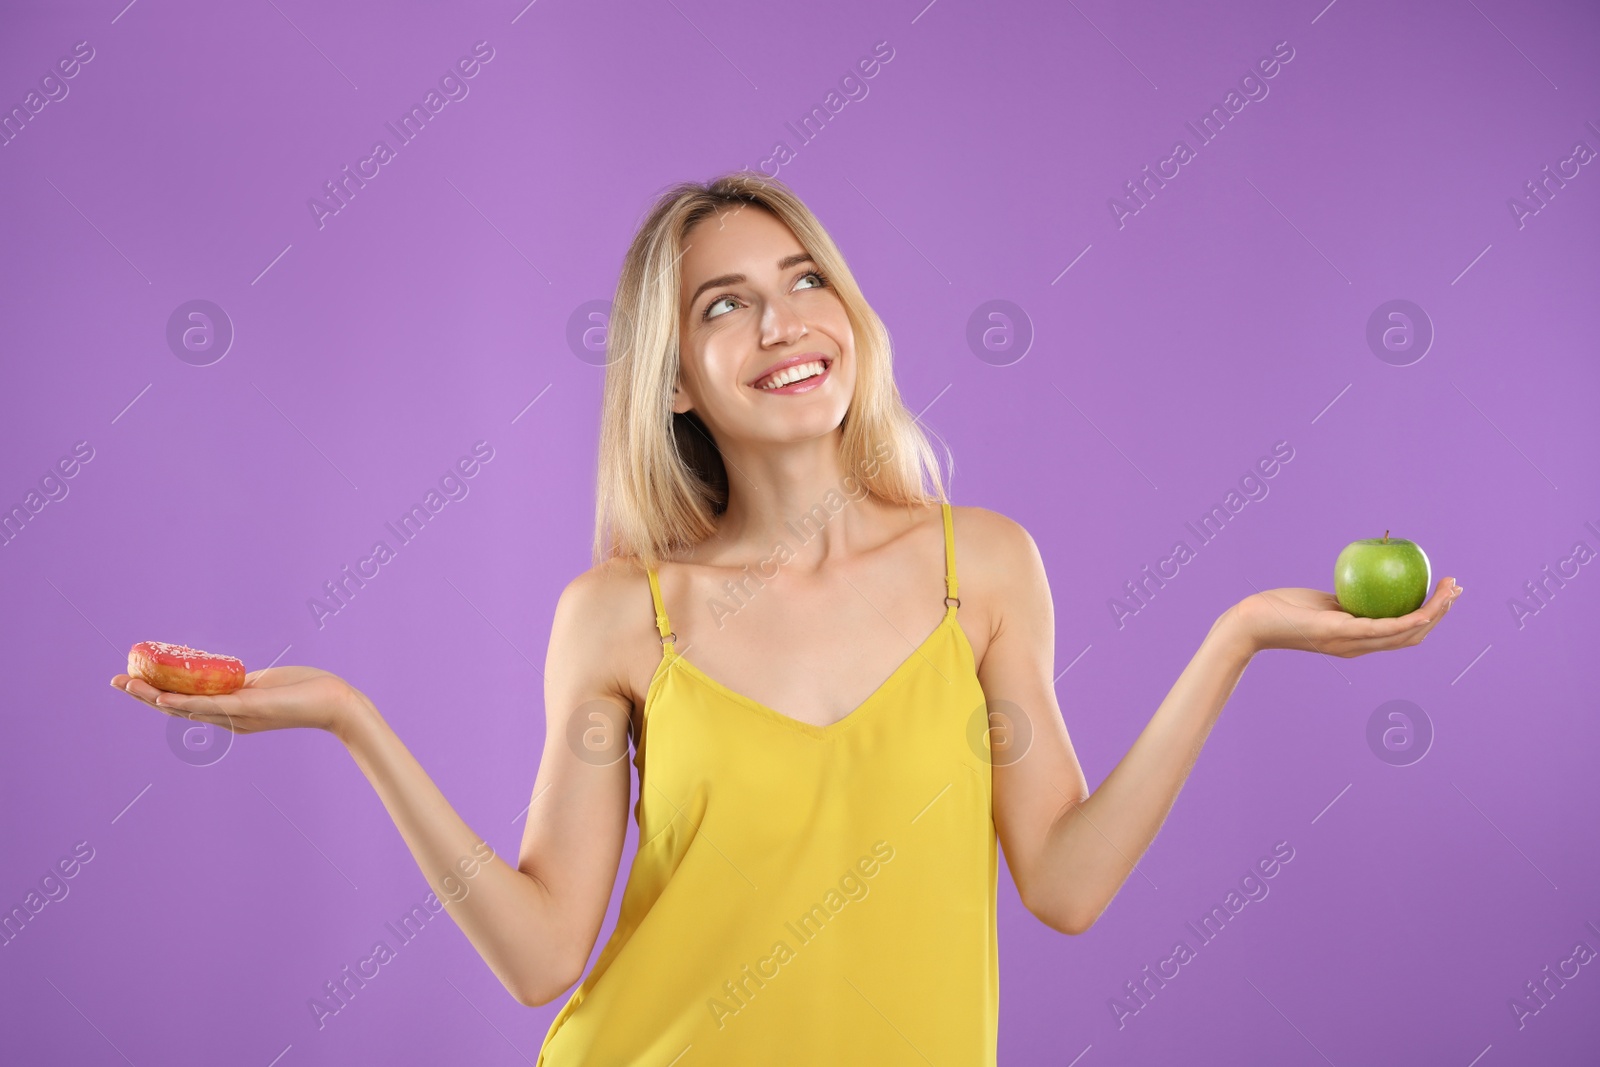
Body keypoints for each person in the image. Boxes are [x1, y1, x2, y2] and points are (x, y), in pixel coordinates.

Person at [110, 172, 1463, 1063]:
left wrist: (1235, 638)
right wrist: (350, 718)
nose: (784, 320)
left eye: (806, 278)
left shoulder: (978, 570)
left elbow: (1065, 880)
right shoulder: (623, 618)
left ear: (852, 318)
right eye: (727, 304)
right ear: (680, 379)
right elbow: (537, 958)